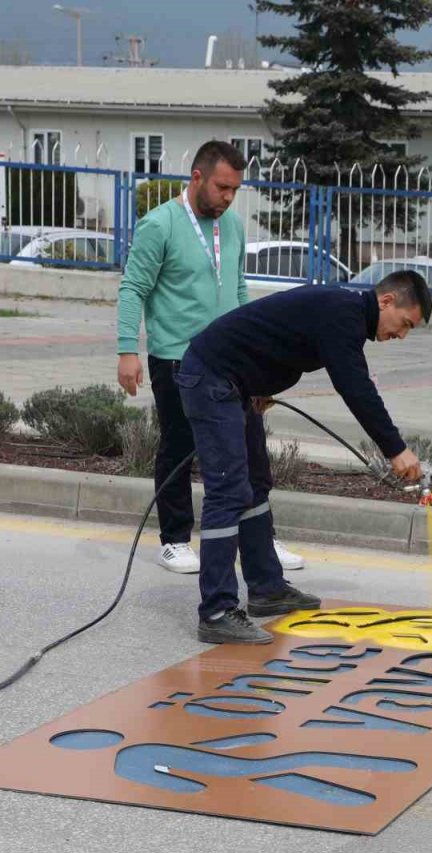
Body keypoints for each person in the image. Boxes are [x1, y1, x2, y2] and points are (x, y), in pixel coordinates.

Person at [175, 271, 432, 645]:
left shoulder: (345, 314)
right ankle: (216, 612)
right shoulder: (342, 315)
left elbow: (275, 338)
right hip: (212, 380)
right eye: (405, 324)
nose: (401, 335)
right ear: (387, 301)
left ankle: (266, 588)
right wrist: (395, 448)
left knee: (257, 485)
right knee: (229, 491)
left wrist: (259, 384)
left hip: (235, 384)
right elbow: (355, 387)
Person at [117, 139, 305, 575]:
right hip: (177, 358)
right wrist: (128, 350)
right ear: (197, 177)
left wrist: (257, 358)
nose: (227, 198)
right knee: (180, 448)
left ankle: (262, 540)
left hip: (232, 362)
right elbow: (133, 289)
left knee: (251, 449)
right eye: (222, 188)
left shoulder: (232, 226)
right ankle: (175, 539)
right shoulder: (159, 224)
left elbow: (239, 290)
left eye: (234, 190)